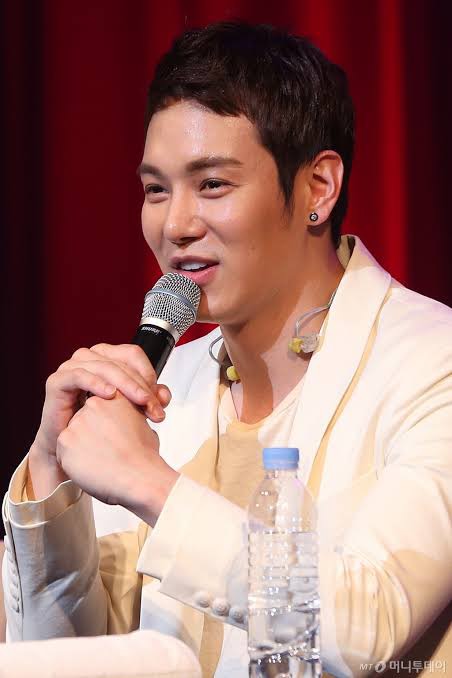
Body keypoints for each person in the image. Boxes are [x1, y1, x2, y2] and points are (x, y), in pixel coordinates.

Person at [2, 20, 452, 678]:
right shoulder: (164, 387)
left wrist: (151, 485)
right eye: (156, 189)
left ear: (318, 188)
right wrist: (51, 476)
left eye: (212, 184)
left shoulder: (431, 362)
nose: (175, 225)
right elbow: (64, 658)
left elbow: (369, 627)